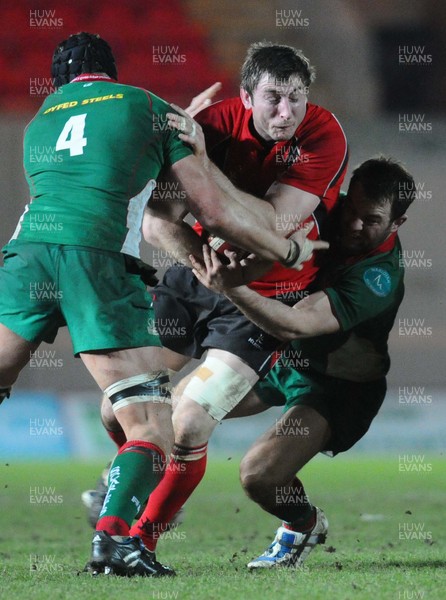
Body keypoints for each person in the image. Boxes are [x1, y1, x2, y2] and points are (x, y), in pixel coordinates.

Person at [0, 33, 317, 578]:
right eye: (273, 99)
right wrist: (286, 247)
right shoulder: (145, 106)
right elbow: (211, 212)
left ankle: (131, 520)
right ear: (112, 71)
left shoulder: (39, 122)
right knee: (154, 426)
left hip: (25, 256)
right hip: (99, 262)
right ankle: (115, 542)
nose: (284, 111)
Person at [91, 41, 348, 552]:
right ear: (246, 96)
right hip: (198, 275)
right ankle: (155, 480)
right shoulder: (210, 124)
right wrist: (199, 260)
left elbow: (273, 224)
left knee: (187, 421)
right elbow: (158, 222)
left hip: (265, 293)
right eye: (273, 97)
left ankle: (139, 545)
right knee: (113, 405)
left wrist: (201, 165)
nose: (286, 111)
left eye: (296, 97)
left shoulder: (323, 133)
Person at [190, 157, 416, 569]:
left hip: (336, 388)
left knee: (260, 475)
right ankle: (128, 499)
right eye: (351, 209)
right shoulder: (324, 211)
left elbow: (296, 324)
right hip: (280, 359)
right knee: (179, 416)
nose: (353, 225)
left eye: (372, 220)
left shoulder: (377, 277)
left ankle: (303, 523)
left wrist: (231, 286)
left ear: (396, 224)